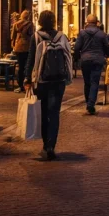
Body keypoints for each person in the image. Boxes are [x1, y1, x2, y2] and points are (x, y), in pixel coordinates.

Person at [23, 10, 73, 160]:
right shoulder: (62, 37)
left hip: (42, 81)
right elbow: (69, 57)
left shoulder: (36, 37)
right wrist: (68, 77)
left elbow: (31, 59)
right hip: (59, 81)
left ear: (40, 21)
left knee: (44, 111)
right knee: (54, 112)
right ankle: (52, 144)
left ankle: (45, 144)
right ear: (53, 21)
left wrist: (27, 78)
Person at [74, 14, 109, 115]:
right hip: (98, 60)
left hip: (85, 59)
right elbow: (107, 47)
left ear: (87, 22)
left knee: (87, 82)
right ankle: (91, 103)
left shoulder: (82, 33)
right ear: (97, 22)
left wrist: (77, 58)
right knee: (95, 82)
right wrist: (107, 55)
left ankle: (88, 102)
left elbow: (77, 47)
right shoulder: (102, 34)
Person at [11, 10, 34, 93]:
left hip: (18, 47)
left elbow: (12, 37)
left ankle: (20, 85)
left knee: (20, 66)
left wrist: (14, 46)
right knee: (27, 66)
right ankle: (26, 84)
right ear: (28, 16)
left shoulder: (15, 24)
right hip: (27, 47)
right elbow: (32, 35)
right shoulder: (30, 24)